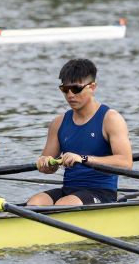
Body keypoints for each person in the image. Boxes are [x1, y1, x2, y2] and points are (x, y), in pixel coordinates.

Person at [29, 58, 133, 206]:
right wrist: (45, 163)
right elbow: (48, 169)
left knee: (64, 204)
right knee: (34, 203)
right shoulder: (57, 123)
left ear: (92, 87)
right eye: (65, 89)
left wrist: (83, 159)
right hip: (69, 190)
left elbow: (125, 163)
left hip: (101, 193)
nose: (70, 95)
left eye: (76, 89)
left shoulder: (111, 119)